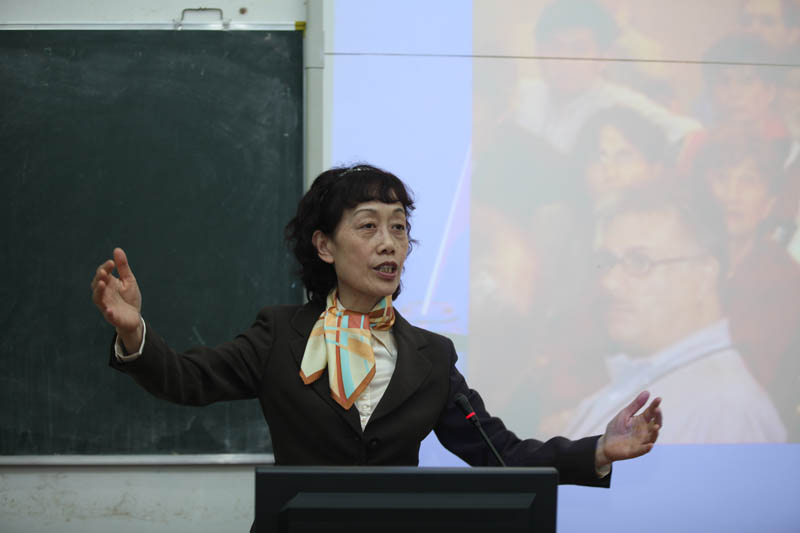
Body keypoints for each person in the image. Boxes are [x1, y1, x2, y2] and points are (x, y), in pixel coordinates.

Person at [91, 164, 661, 484]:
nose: (389, 243)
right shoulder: (280, 335)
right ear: (324, 246)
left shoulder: (431, 357)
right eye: (368, 227)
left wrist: (599, 449)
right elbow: (187, 380)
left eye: (399, 227)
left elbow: (499, 452)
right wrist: (134, 332)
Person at [563, 183, 785, 443]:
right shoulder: (658, 381)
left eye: (640, 262)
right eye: (609, 262)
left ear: (704, 276)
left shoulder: (727, 411)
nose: (609, 283)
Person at [696, 134, 800, 440]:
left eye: (748, 181)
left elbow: (751, 374)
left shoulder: (782, 276)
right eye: (722, 179)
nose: (732, 194)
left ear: (768, 205)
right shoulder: (683, 257)